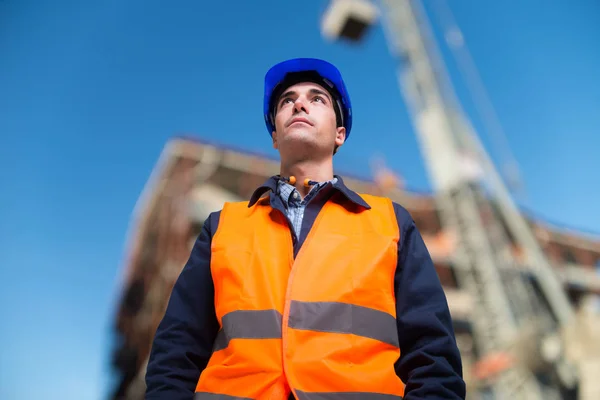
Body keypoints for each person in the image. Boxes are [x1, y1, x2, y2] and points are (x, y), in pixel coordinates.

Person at [145, 58, 466, 399]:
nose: (299, 103)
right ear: (274, 136)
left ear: (339, 133)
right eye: (287, 101)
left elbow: (434, 356)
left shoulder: (391, 223)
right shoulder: (222, 227)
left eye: (317, 99)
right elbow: (176, 350)